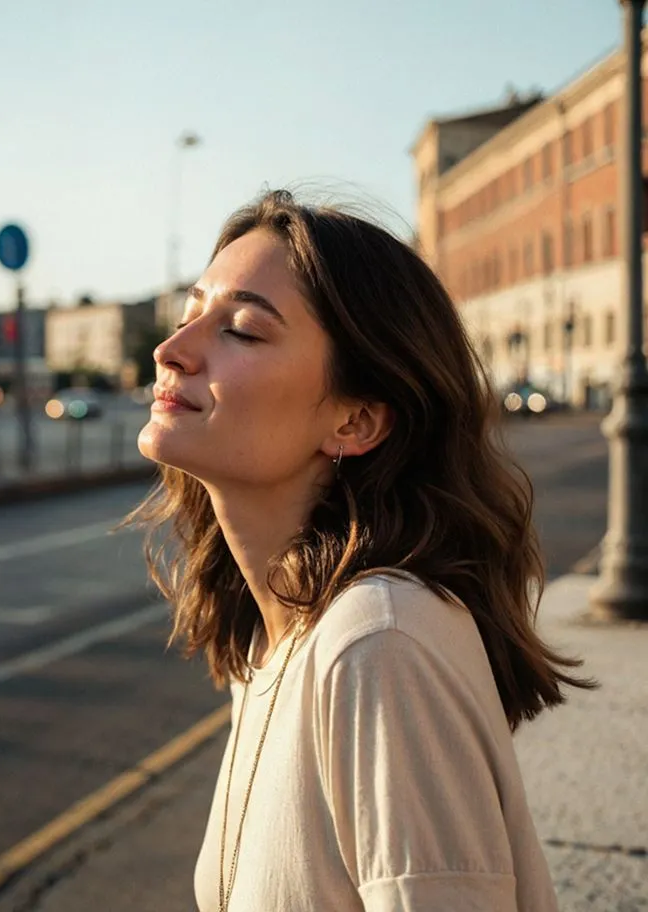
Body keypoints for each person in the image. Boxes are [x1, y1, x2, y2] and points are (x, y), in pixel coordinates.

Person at [132, 189, 594, 911]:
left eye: (242, 331)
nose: (171, 351)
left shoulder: (379, 645)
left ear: (355, 421)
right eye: (190, 315)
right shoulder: (275, 643)